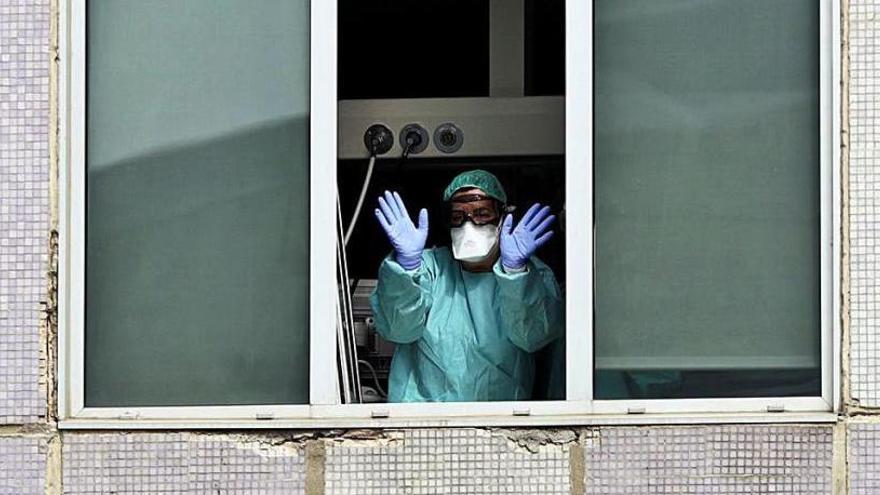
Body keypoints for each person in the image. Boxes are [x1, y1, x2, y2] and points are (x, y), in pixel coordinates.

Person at [369, 169, 564, 402]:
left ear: (502, 218)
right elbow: (398, 329)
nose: (469, 224)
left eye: (482, 214)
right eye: (457, 216)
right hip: (424, 420)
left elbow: (533, 337)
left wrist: (515, 274)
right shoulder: (430, 269)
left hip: (501, 422)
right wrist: (407, 267)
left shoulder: (530, 274)